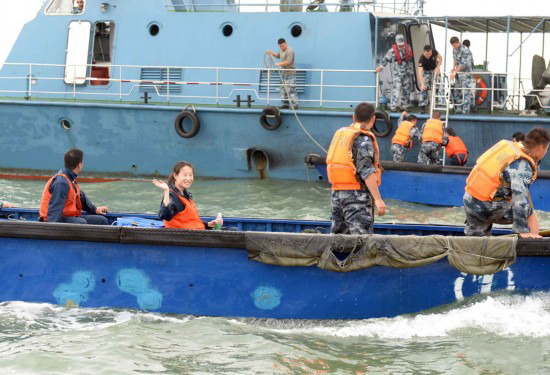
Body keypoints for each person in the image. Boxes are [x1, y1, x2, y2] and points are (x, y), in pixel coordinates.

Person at [463, 128, 550, 238]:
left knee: (475, 240)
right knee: (530, 213)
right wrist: (522, 230)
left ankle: (472, 248)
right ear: (541, 148)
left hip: (469, 200)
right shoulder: (522, 165)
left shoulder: (508, 146)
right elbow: (519, 200)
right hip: (485, 207)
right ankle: (531, 245)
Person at [327, 102, 386, 234]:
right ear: (373, 119)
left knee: (339, 239)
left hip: (337, 195)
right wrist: (378, 199)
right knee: (361, 241)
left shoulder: (342, 134)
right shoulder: (363, 140)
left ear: (354, 117)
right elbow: (366, 171)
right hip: (356, 197)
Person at [39, 148, 108, 224]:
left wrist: (95, 209)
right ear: (80, 164)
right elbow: (54, 212)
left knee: (102, 220)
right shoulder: (61, 183)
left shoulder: (70, 179)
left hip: (68, 217)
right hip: (52, 221)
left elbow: (81, 198)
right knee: (81, 223)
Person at [154, 161, 222, 229]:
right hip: (183, 236)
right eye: (185, 175)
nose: (188, 178)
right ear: (175, 176)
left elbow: (189, 220)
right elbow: (165, 216)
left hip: (197, 233)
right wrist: (166, 191)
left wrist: (208, 224)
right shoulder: (172, 195)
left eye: (190, 175)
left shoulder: (187, 194)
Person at [375, 34, 414, 112]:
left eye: (402, 44)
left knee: (406, 90)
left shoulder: (408, 48)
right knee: (396, 89)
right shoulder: (392, 51)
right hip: (397, 74)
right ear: (396, 42)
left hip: (407, 73)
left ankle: (404, 106)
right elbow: (385, 59)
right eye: (399, 44)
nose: (401, 46)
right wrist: (380, 67)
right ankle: (393, 106)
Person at [267, 38, 298, 109]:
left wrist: (279, 64)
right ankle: (285, 103)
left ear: (286, 43)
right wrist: (271, 53)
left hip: (290, 73)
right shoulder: (281, 50)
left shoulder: (290, 51)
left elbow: (289, 61)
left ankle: (295, 104)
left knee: (291, 88)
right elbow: (278, 55)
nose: (282, 47)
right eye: (280, 46)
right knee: (283, 88)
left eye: (283, 46)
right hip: (283, 73)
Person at [450, 36, 474, 114]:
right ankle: (458, 108)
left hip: (466, 73)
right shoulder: (454, 49)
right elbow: (454, 58)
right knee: (456, 90)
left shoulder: (465, 50)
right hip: (458, 73)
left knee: (466, 91)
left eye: (454, 45)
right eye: (452, 46)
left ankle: (465, 110)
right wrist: (453, 68)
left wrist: (454, 72)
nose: (454, 47)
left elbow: (463, 64)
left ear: (458, 42)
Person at [417, 45, 443, 114]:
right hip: (426, 72)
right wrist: (422, 84)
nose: (428, 55)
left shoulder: (434, 52)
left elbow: (440, 58)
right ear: (424, 52)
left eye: (429, 54)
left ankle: (436, 105)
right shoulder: (421, 59)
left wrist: (438, 67)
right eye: (426, 54)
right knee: (423, 88)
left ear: (431, 51)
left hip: (434, 70)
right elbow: (419, 72)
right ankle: (422, 106)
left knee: (436, 88)